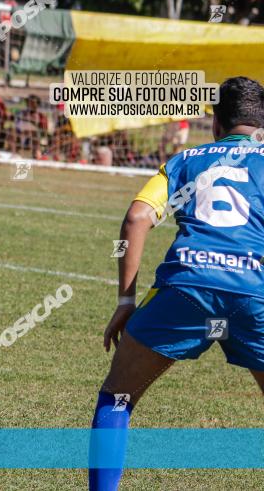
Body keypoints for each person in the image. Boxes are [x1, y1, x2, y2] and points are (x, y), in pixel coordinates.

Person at [88, 76, 264, 490]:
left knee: (117, 397)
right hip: (255, 290)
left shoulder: (186, 160)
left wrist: (125, 301)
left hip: (186, 286)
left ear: (216, 125)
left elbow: (136, 218)